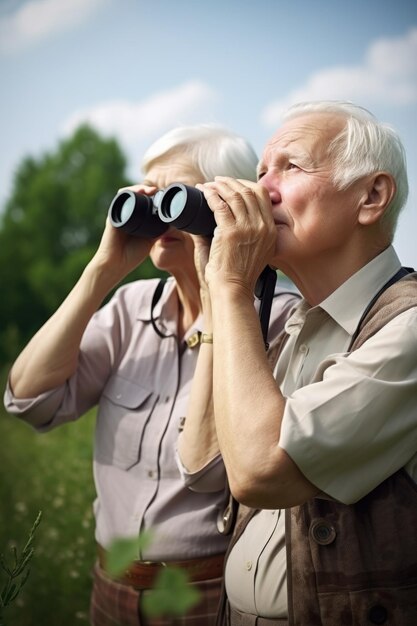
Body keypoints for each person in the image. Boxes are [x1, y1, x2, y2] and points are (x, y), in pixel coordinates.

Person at [3, 124, 299, 626]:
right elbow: (30, 401)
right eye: (149, 194)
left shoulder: (278, 320)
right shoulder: (131, 308)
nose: (158, 211)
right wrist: (103, 267)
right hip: (111, 587)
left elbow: (207, 472)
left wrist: (216, 300)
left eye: (177, 195)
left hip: (208, 594)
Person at [177, 101, 417, 625]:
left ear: (372, 196)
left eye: (291, 166)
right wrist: (217, 292)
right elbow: (202, 465)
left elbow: (262, 472)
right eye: (261, 171)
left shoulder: (409, 329)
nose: (261, 190)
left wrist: (233, 286)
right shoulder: (297, 328)